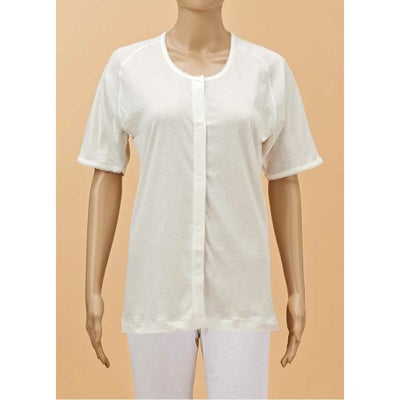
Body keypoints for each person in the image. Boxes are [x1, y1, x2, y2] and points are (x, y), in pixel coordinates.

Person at [76, 0, 324, 398]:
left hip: (240, 289)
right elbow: (106, 172)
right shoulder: (129, 67)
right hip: (158, 286)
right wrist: (93, 287)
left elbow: (284, 178)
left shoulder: (266, 70)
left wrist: (297, 289)